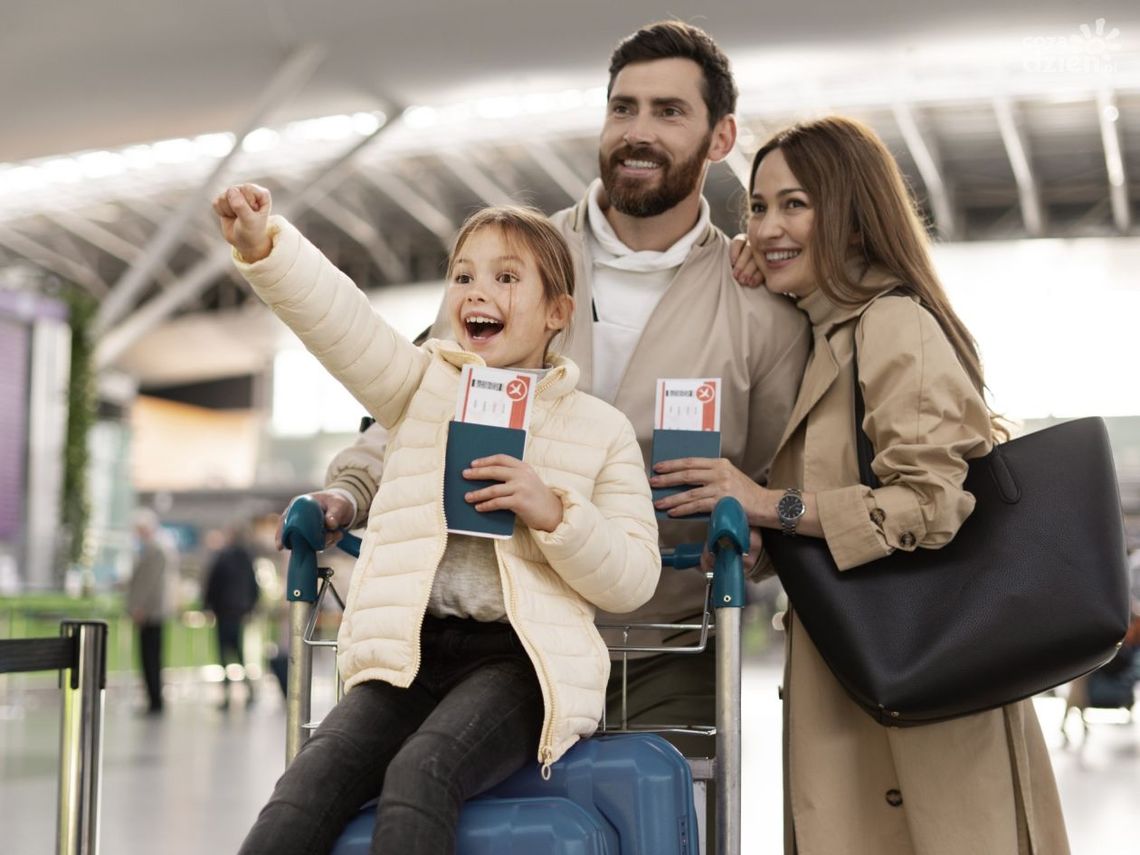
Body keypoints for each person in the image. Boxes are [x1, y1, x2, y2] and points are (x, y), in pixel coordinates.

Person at [283, 19, 811, 738]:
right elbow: (424, 399)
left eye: (669, 111)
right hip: (500, 639)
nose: (638, 130)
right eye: (623, 107)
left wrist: (760, 539)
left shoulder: (760, 311)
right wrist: (349, 490)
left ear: (722, 139)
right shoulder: (511, 263)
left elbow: (784, 473)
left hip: (666, 648)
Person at [654, 116, 1069, 853]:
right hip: (860, 674)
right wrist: (762, 532)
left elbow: (929, 505)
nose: (768, 225)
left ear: (850, 213)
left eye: (796, 204)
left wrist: (765, 502)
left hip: (924, 689)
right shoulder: (826, 336)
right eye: (757, 206)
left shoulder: (892, 324)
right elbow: (831, 499)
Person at [213, 185, 662, 854]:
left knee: (422, 773)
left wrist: (553, 511)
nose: (477, 290)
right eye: (464, 274)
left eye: (507, 277)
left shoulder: (601, 431)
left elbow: (633, 578)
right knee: (303, 789)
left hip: (518, 663)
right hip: (408, 652)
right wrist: (264, 245)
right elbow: (344, 325)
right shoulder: (422, 387)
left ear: (557, 312)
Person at [202, 525, 261, 709]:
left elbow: (212, 584)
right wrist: (250, 607)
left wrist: (207, 605)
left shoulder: (223, 557)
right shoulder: (246, 558)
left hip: (224, 611)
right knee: (239, 652)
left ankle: (228, 694)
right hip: (239, 611)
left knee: (224, 653)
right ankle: (248, 690)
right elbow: (253, 585)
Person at [126, 508, 174, 715]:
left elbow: (150, 583)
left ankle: (155, 701)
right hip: (150, 612)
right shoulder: (153, 549)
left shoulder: (155, 550)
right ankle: (153, 699)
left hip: (151, 613)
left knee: (151, 658)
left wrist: (140, 607)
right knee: (149, 658)